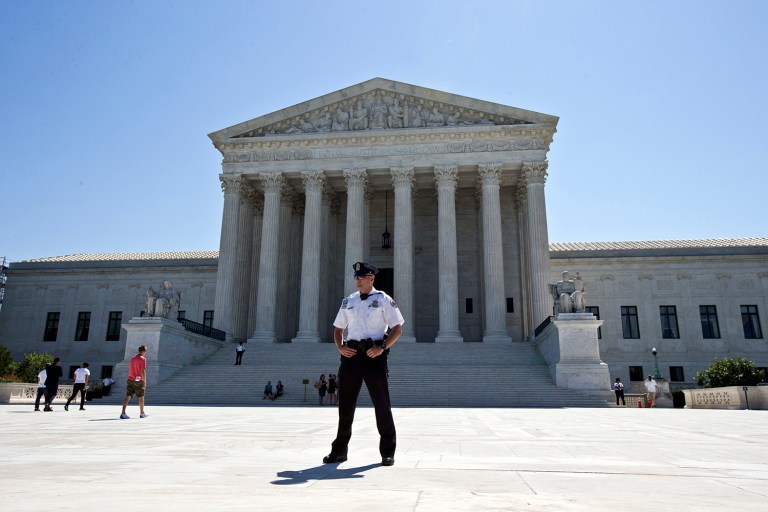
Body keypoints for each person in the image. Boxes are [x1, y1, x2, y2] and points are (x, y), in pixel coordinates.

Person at [323, 261, 404, 467]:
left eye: (361, 277)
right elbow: (338, 329)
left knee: (382, 404)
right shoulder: (349, 300)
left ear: (371, 279)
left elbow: (397, 328)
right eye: (356, 277)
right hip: (351, 356)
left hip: (374, 355)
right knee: (345, 405)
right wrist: (340, 347)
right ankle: (339, 451)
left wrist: (382, 347)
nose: (357, 280)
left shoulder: (383, 299)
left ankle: (387, 452)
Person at [121, 345, 148, 419]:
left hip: (130, 379)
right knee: (141, 397)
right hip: (139, 380)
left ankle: (123, 413)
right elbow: (142, 371)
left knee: (128, 396)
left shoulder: (132, 358)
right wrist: (144, 381)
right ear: (143, 351)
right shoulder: (143, 359)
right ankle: (142, 413)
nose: (146, 352)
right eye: (145, 351)